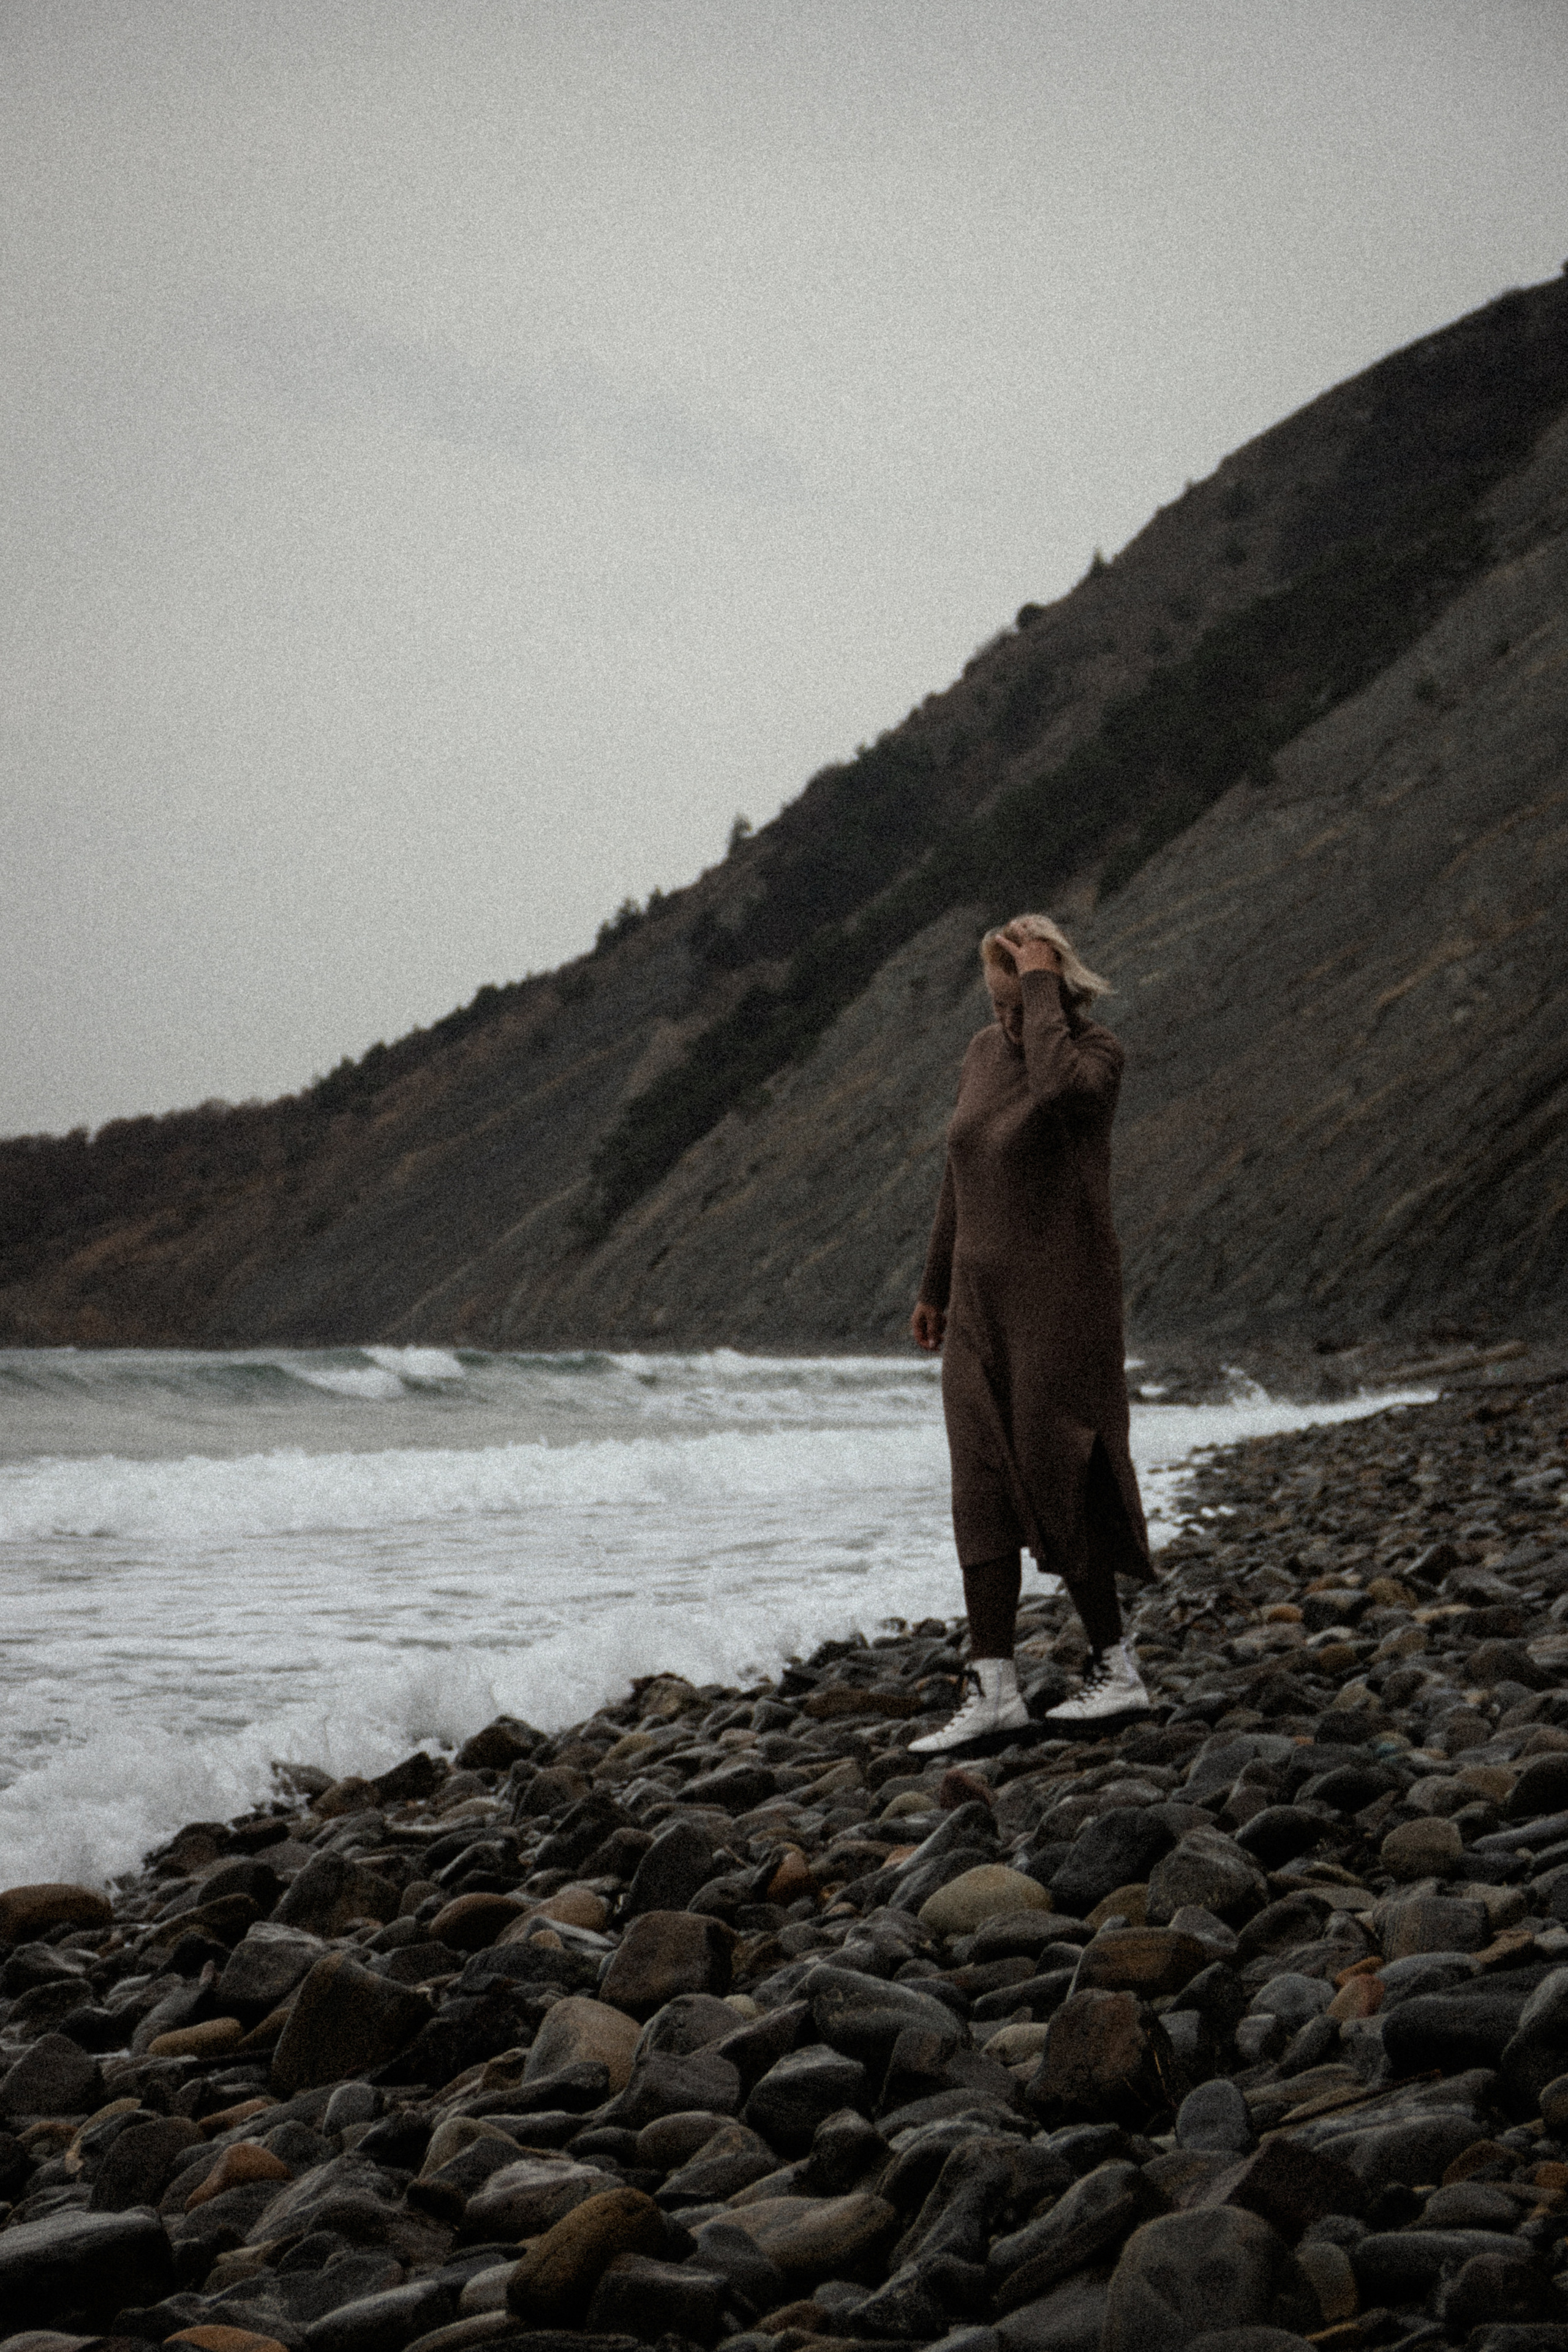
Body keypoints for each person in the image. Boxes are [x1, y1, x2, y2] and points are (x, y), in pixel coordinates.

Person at [908, 913, 1155, 1752]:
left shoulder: (1097, 1058)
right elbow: (961, 1164)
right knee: (979, 1482)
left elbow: (1058, 1091)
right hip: (980, 1305)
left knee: (1063, 1471)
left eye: (1017, 1001)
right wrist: (935, 1284)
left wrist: (1042, 987)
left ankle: (1117, 1670)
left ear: (1056, 984)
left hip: (1063, 1303)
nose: (1005, 1021)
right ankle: (993, 1687)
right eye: (998, 1004)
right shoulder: (982, 1053)